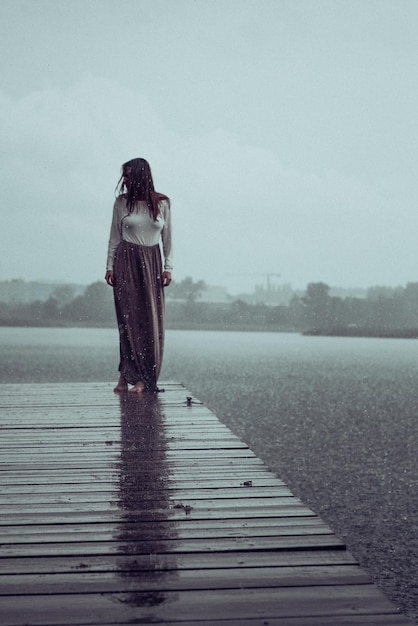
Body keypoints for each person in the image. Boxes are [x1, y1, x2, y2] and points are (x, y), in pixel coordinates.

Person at [105, 158, 173, 394]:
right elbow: (114, 237)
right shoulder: (121, 203)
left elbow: (168, 238)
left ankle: (145, 378)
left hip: (153, 263)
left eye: (128, 175)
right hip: (126, 261)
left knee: (150, 323)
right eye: (123, 175)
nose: (124, 180)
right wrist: (109, 266)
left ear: (140, 176)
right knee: (127, 322)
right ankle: (125, 377)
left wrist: (168, 267)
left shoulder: (162, 203)